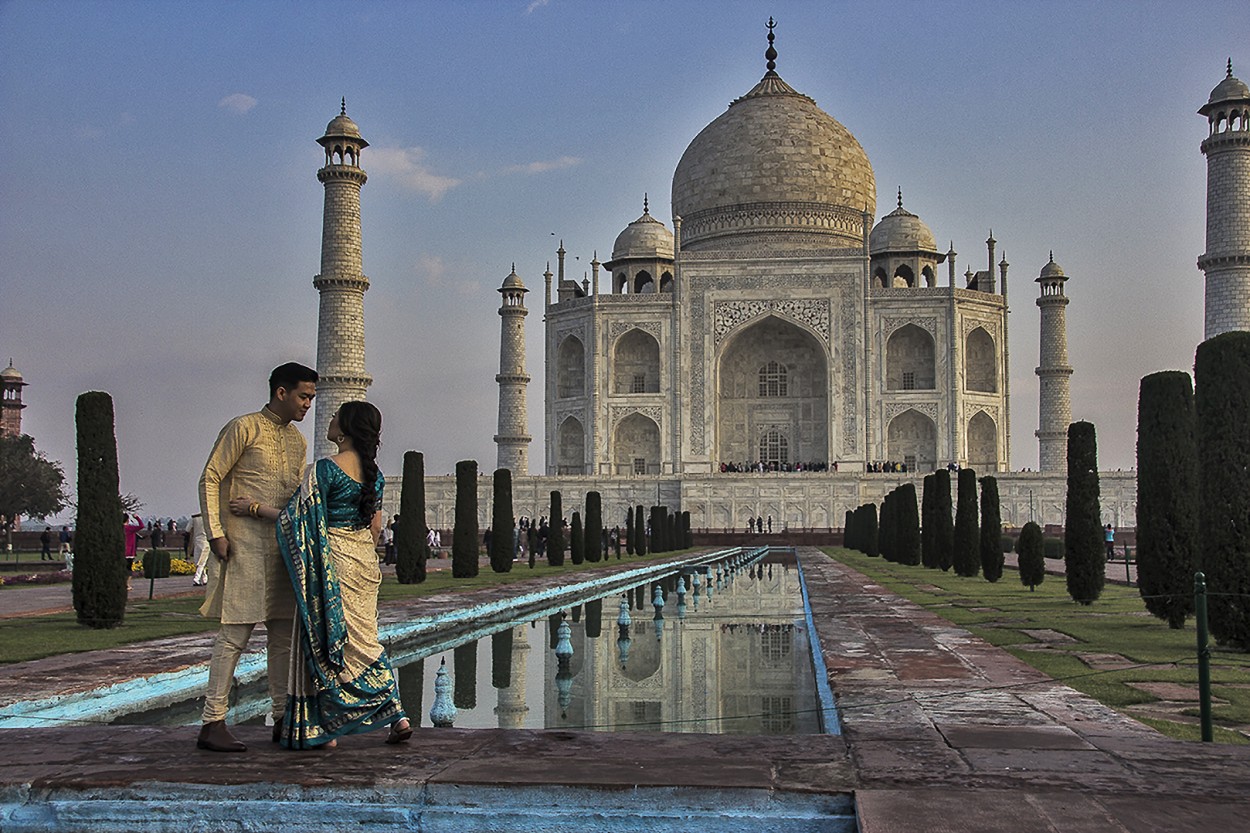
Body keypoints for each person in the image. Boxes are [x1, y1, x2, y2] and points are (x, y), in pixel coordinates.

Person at [230, 400, 409, 750]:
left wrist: (251, 508)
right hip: (363, 565)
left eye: (335, 417)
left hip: (335, 564)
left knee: (331, 644)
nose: (328, 419)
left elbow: (297, 519)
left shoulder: (324, 470)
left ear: (344, 429)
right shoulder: (376, 475)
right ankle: (397, 715)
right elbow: (374, 528)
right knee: (366, 642)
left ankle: (326, 728)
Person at [195, 362, 317, 753]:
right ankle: (213, 721)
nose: (308, 404)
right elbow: (211, 476)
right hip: (243, 544)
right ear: (281, 392)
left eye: (312, 398)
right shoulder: (244, 427)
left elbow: (295, 495)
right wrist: (215, 532)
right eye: (303, 396)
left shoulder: (297, 441)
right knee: (234, 635)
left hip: (281, 548)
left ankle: (282, 717)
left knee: (282, 638)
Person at [189, 513, 210, 586]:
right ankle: (196, 579)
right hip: (205, 542)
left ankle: (204, 578)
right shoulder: (208, 517)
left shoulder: (194, 518)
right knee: (202, 562)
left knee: (200, 562)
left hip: (197, 542)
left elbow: (187, 530)